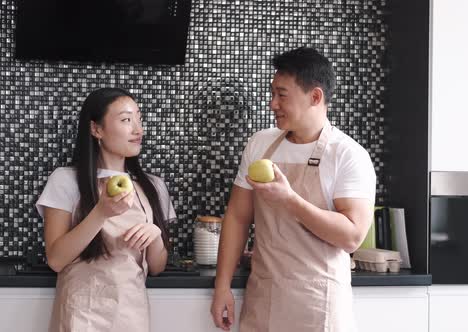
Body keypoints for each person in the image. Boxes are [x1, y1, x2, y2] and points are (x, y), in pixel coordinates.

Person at [210, 47, 376, 331]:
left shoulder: (347, 154)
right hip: (265, 296)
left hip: (319, 303)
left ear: (315, 97)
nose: (272, 104)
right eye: (272, 93)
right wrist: (222, 285)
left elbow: (352, 236)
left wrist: (289, 199)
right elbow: (237, 217)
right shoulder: (260, 144)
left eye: (282, 95)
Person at [36, 87, 176, 332]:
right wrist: (101, 212)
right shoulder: (66, 180)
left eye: (139, 119)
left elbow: (157, 267)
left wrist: (154, 234)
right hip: (80, 316)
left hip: (130, 315)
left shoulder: (153, 187)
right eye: (126, 120)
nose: (138, 129)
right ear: (96, 129)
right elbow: (56, 260)